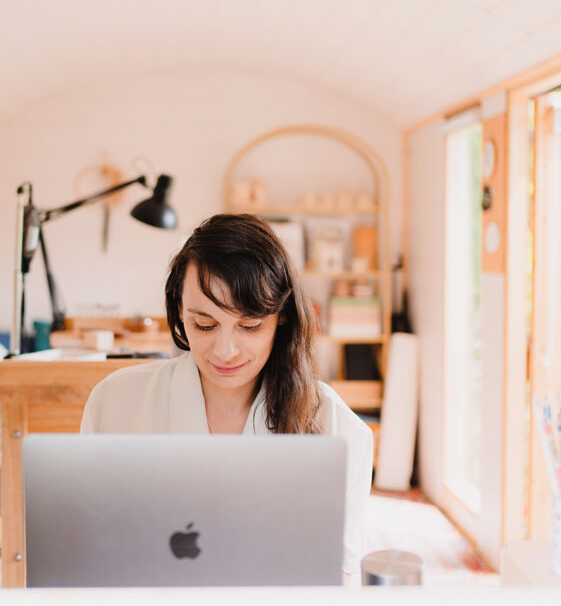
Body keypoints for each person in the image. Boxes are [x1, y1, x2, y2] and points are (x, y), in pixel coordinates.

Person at [80, 213, 373, 582]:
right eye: (204, 324)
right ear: (179, 312)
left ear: (281, 319)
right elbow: (89, 549)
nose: (225, 350)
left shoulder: (335, 425)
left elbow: (339, 575)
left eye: (249, 326)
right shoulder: (115, 403)